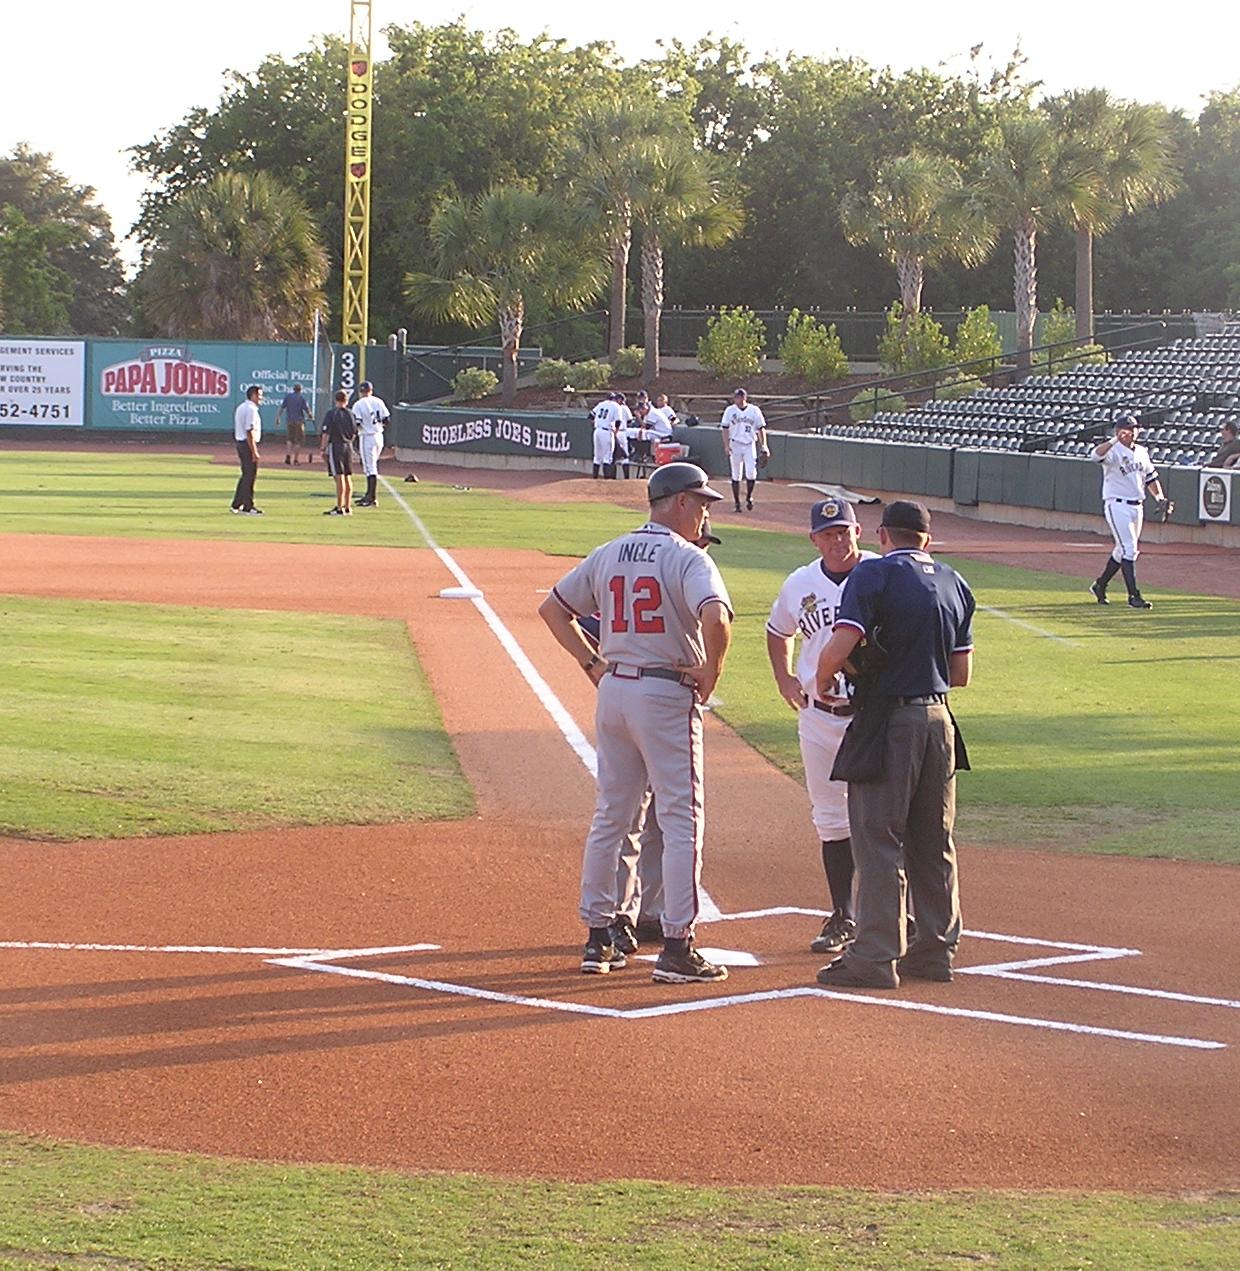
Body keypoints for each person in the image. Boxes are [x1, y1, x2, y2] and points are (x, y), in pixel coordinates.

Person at [538, 462, 734, 985]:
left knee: (612, 814)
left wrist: (591, 663)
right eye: (702, 504)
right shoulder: (688, 558)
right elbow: (717, 617)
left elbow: (553, 610)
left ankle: (600, 935)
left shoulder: (609, 552)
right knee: (681, 817)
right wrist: (710, 672)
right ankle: (677, 945)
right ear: (680, 504)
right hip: (664, 695)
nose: (706, 514)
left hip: (616, 689)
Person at [812, 500, 975, 990]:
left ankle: (876, 956)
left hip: (890, 721)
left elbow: (840, 646)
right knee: (933, 838)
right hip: (940, 720)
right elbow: (961, 674)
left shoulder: (873, 575)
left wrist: (824, 677)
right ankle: (934, 951)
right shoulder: (954, 581)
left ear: (882, 535)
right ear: (927, 537)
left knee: (879, 838)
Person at [766, 498, 877, 955]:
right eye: (827, 534)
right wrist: (784, 678)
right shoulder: (800, 583)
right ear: (814, 539)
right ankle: (843, 915)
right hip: (818, 717)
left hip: (872, 716)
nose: (837, 541)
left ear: (859, 531)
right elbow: (778, 631)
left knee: (883, 814)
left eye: (843, 531)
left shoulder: (879, 572)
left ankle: (895, 911)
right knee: (830, 819)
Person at [1088, 414, 1169, 610]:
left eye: (1134, 428)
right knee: (1129, 549)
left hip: (1137, 505)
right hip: (1116, 504)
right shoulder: (1113, 450)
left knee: (1121, 551)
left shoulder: (1142, 451)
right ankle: (1134, 596)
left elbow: (1150, 478)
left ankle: (1100, 585)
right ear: (1117, 431)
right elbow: (1095, 455)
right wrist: (1115, 439)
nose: (1131, 432)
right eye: (1126, 428)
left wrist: (1159, 498)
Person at [720, 387, 769, 513]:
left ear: (744, 398)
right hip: (735, 443)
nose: (737, 399)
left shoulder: (754, 410)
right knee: (736, 474)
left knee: (751, 473)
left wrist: (764, 446)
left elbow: (761, 428)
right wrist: (726, 445)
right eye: (735, 397)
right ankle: (737, 503)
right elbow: (725, 428)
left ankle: (749, 497)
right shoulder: (730, 410)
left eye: (739, 397)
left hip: (749, 444)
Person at [351, 381, 390, 507]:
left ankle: (371, 497)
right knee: (371, 466)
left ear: (360, 392)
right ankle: (369, 495)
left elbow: (357, 423)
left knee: (370, 468)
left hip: (367, 436)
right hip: (379, 436)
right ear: (371, 390)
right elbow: (387, 420)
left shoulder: (358, 404)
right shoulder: (379, 401)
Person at [320, 389, 358, 515]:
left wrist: (323, 448)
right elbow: (354, 432)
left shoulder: (332, 413)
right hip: (348, 446)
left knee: (339, 476)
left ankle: (339, 507)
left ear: (335, 400)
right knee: (348, 476)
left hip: (336, 445)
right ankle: (348, 506)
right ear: (346, 400)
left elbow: (326, 433)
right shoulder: (351, 414)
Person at [231, 384, 264, 515]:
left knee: (246, 475)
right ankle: (248, 506)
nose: (261, 398)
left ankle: (236, 504)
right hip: (247, 444)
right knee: (250, 476)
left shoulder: (241, 407)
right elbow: (249, 431)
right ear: (253, 395)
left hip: (241, 443)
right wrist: (254, 451)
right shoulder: (251, 409)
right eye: (260, 395)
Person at [277, 383, 311, 465]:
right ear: (300, 390)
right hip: (299, 422)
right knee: (298, 441)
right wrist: (310, 416)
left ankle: (288, 457)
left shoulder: (288, 397)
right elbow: (307, 409)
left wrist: (278, 417)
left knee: (289, 440)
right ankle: (296, 459)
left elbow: (282, 407)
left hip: (290, 421)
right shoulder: (302, 398)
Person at [590, 393, 621, 479]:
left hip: (597, 431)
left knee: (597, 457)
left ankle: (594, 478)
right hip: (607, 431)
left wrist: (596, 424)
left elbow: (590, 415)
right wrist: (616, 431)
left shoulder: (601, 404)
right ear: (614, 399)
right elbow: (618, 421)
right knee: (607, 457)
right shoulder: (616, 406)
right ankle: (606, 480)